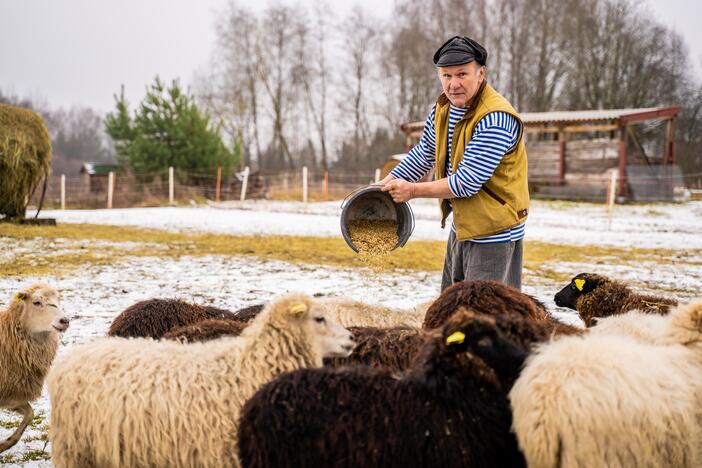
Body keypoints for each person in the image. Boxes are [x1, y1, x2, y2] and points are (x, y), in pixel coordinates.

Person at [380, 35, 529, 291]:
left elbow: (467, 182)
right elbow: (425, 151)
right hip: (464, 225)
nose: (453, 84)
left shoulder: (495, 118)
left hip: (494, 234)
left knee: (485, 318)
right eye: (446, 76)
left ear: (480, 74)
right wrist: (386, 183)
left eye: (462, 74)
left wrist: (412, 191)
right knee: (451, 307)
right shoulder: (443, 109)